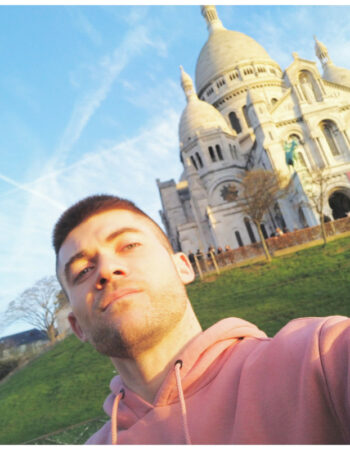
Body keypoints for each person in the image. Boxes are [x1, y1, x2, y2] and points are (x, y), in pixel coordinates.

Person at [53, 194, 350, 444]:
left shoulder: (319, 356)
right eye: (82, 271)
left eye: (129, 246)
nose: (106, 269)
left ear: (183, 267)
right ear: (77, 327)